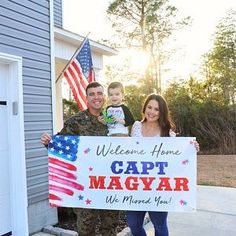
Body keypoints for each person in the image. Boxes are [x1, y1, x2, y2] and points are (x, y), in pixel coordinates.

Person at [41, 82, 119, 236]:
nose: (96, 97)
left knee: (109, 229)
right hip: (84, 185)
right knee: (85, 229)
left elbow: (128, 144)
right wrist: (48, 142)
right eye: (92, 94)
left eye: (99, 93)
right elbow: (61, 144)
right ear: (86, 98)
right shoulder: (76, 121)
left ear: (104, 96)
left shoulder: (114, 120)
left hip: (110, 183)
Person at [126, 93, 200, 236]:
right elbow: (128, 152)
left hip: (158, 187)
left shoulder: (168, 133)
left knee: (159, 225)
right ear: (145, 108)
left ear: (161, 113)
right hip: (136, 185)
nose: (152, 112)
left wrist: (191, 148)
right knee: (134, 224)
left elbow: (177, 158)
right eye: (149, 107)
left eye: (156, 109)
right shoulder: (136, 126)